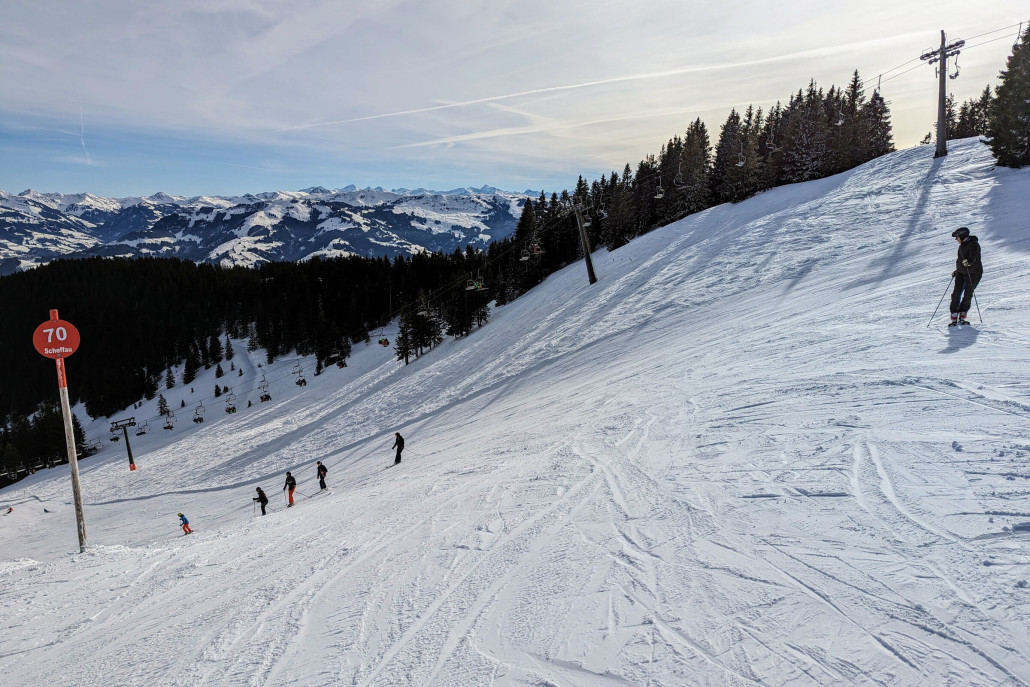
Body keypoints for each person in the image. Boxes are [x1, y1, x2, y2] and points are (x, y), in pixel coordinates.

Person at [949, 227, 982, 326]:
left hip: (973, 273)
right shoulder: (961, 246)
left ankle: (962, 314)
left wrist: (969, 262)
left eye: (957, 237)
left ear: (962, 236)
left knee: (967, 293)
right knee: (956, 293)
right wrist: (958, 270)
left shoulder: (974, 245)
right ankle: (954, 315)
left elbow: (973, 258)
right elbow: (961, 260)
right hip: (962, 273)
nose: (956, 239)